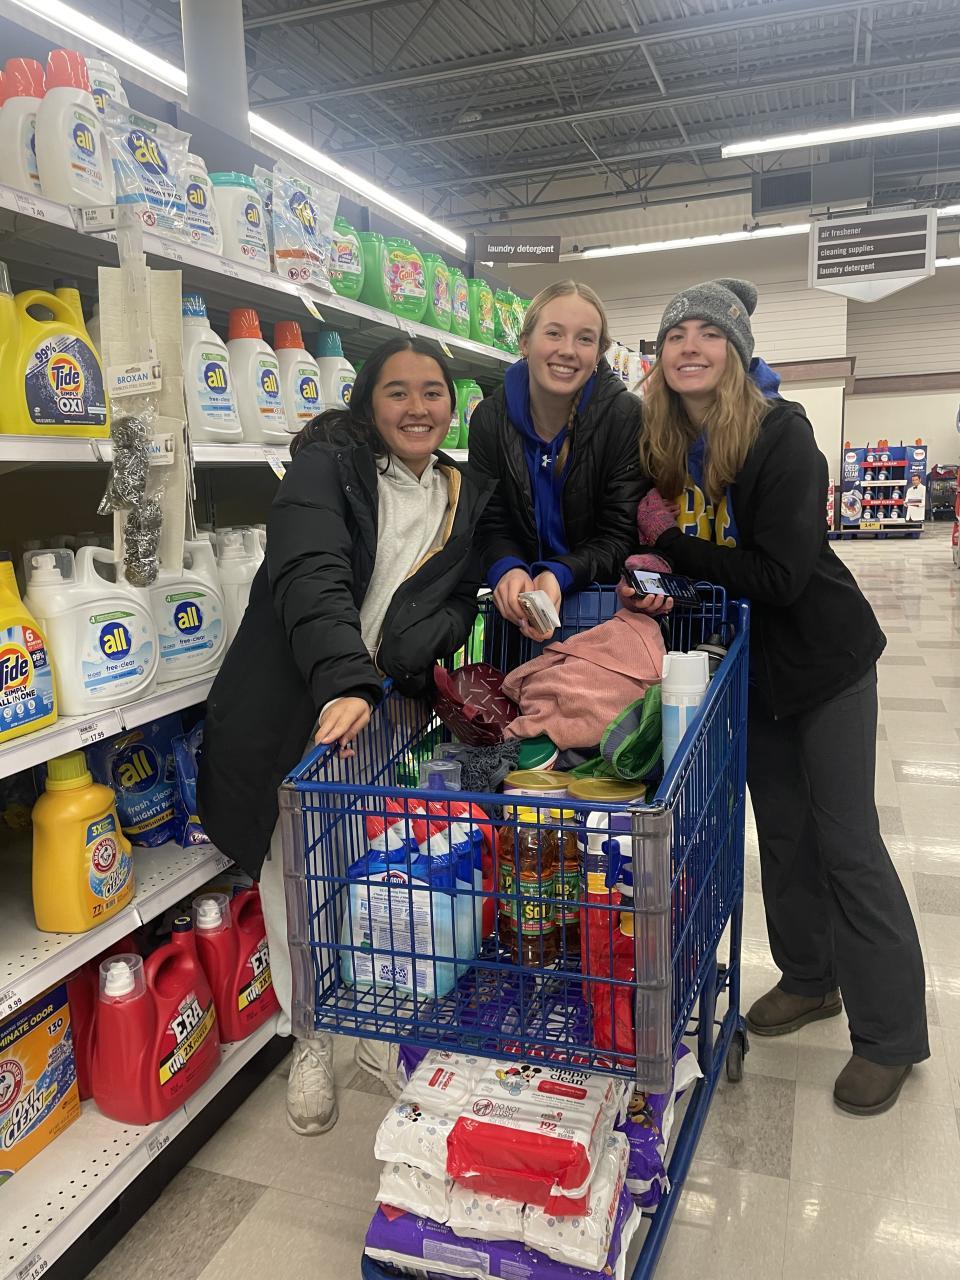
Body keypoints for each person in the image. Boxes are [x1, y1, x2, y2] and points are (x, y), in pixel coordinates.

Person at [620, 278, 928, 1116]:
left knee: (847, 843)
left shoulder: (781, 435)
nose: (690, 345)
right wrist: (656, 575)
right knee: (785, 836)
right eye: (674, 333)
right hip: (749, 670)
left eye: (708, 333)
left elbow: (782, 576)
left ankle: (891, 1034)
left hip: (826, 663)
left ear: (737, 351)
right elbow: (697, 566)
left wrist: (672, 545)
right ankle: (809, 978)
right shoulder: (664, 443)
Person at [198, 335, 494, 1136]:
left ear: (452, 405)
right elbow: (311, 578)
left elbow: (457, 594)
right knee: (296, 875)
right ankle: (310, 1037)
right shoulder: (324, 472)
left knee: (375, 870)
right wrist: (346, 677)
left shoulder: (461, 492)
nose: (417, 407)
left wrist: (417, 646)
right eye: (397, 391)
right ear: (368, 403)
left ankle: (377, 1025)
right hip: (302, 705)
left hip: (384, 716)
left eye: (432, 392)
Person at [469, 280, 645, 638]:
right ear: (525, 342)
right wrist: (507, 567)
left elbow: (621, 536)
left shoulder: (624, 417)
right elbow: (489, 521)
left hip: (601, 617)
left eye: (585, 339)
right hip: (515, 617)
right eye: (554, 333)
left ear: (599, 353)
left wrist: (558, 573)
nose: (568, 350)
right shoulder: (490, 418)